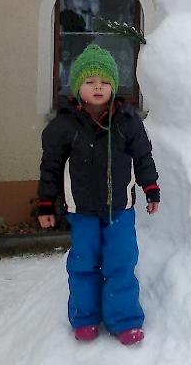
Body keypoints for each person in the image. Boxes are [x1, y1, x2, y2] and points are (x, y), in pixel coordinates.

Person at [38, 43, 160, 344]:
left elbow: (143, 156)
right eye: (90, 82)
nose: (98, 88)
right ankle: (85, 317)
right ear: (78, 85)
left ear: (114, 87)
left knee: (121, 262)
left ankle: (124, 319)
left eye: (104, 82)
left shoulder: (127, 121)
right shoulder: (64, 126)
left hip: (120, 207)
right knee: (83, 263)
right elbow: (50, 167)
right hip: (82, 211)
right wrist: (45, 204)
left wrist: (151, 187)